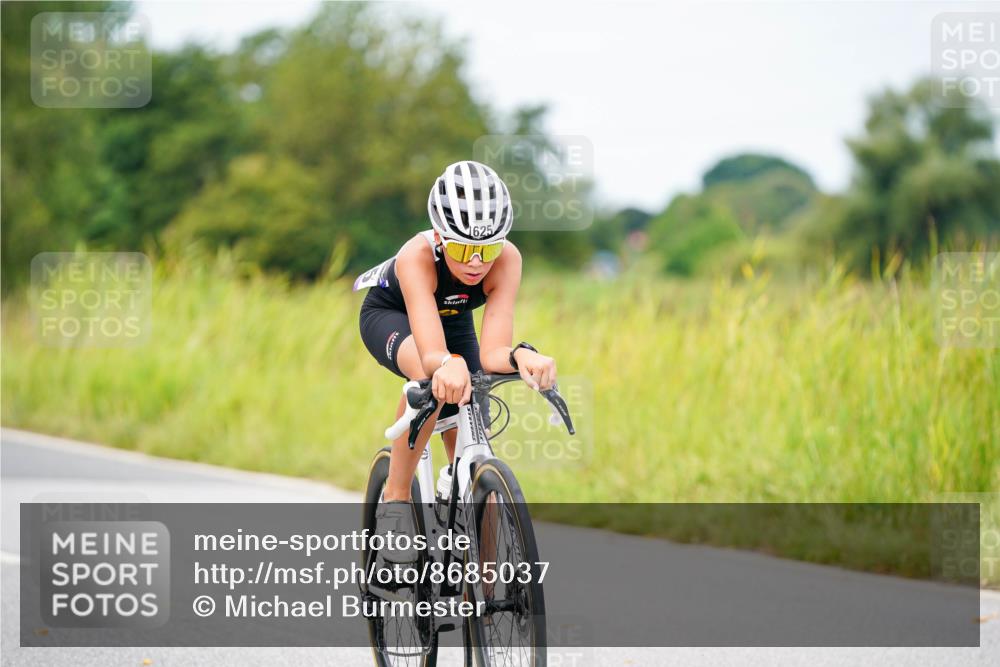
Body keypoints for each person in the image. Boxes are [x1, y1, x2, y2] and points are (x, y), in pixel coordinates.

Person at [356, 160, 557, 564]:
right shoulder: (416, 256)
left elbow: (492, 352)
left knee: (473, 429)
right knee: (433, 381)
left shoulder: (507, 259)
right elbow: (432, 355)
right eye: (463, 249)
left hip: (454, 316)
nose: (476, 263)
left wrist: (523, 356)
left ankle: (478, 578)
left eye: (488, 249)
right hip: (392, 316)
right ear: (440, 236)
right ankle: (396, 499)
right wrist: (444, 364)